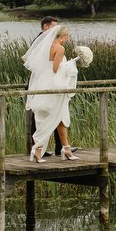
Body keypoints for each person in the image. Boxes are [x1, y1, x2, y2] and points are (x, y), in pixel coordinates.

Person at [25, 23, 81, 161]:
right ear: (61, 37)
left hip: (43, 81)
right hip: (55, 83)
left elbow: (46, 66)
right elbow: (56, 68)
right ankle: (38, 149)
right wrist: (71, 65)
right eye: (67, 36)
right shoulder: (60, 48)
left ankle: (66, 149)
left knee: (59, 117)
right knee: (51, 117)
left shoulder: (47, 47)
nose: (67, 39)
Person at [24, 16, 59, 152]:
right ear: (45, 26)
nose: (56, 29)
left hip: (47, 81)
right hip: (40, 82)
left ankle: (58, 146)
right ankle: (37, 148)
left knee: (55, 111)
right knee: (38, 113)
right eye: (54, 26)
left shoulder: (50, 41)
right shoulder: (41, 41)